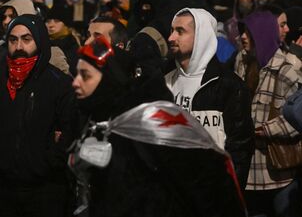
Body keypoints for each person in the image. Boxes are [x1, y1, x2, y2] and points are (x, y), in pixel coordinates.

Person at [70, 36, 246, 217]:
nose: (75, 82)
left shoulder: (152, 120)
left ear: (110, 78)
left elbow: (208, 186)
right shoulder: (102, 121)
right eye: (76, 74)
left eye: (85, 75)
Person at [0, 14, 76, 217]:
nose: (19, 46)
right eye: (13, 39)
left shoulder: (59, 83)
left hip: (46, 189)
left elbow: (70, 129)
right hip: (3, 187)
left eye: (26, 39)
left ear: (40, 41)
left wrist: (48, 162)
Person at [165, 8, 254, 187]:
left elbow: (240, 148)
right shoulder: (165, 82)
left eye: (180, 31)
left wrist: (229, 194)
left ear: (201, 36)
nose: (171, 38)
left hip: (213, 192)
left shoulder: (228, 85)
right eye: (172, 30)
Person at [234, 10, 302, 216]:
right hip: (249, 172)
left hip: (278, 173)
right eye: (242, 31)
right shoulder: (244, 63)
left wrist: (263, 129)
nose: (243, 36)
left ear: (262, 34)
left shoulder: (286, 71)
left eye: (248, 32)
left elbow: (299, 118)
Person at [45, 5, 80, 75]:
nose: (51, 25)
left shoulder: (71, 43)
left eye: (57, 21)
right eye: (48, 21)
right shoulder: (42, 43)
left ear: (65, 24)